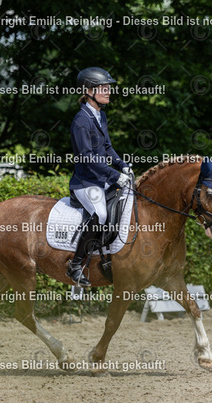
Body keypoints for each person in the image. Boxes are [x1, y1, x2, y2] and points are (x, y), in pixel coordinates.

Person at [67, 67, 133, 287]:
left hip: (100, 179)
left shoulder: (100, 115)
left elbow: (107, 147)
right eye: (103, 88)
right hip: (85, 183)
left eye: (108, 88)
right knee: (101, 214)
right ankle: (75, 265)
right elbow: (86, 157)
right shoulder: (81, 120)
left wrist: (122, 165)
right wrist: (114, 175)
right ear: (89, 91)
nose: (108, 92)